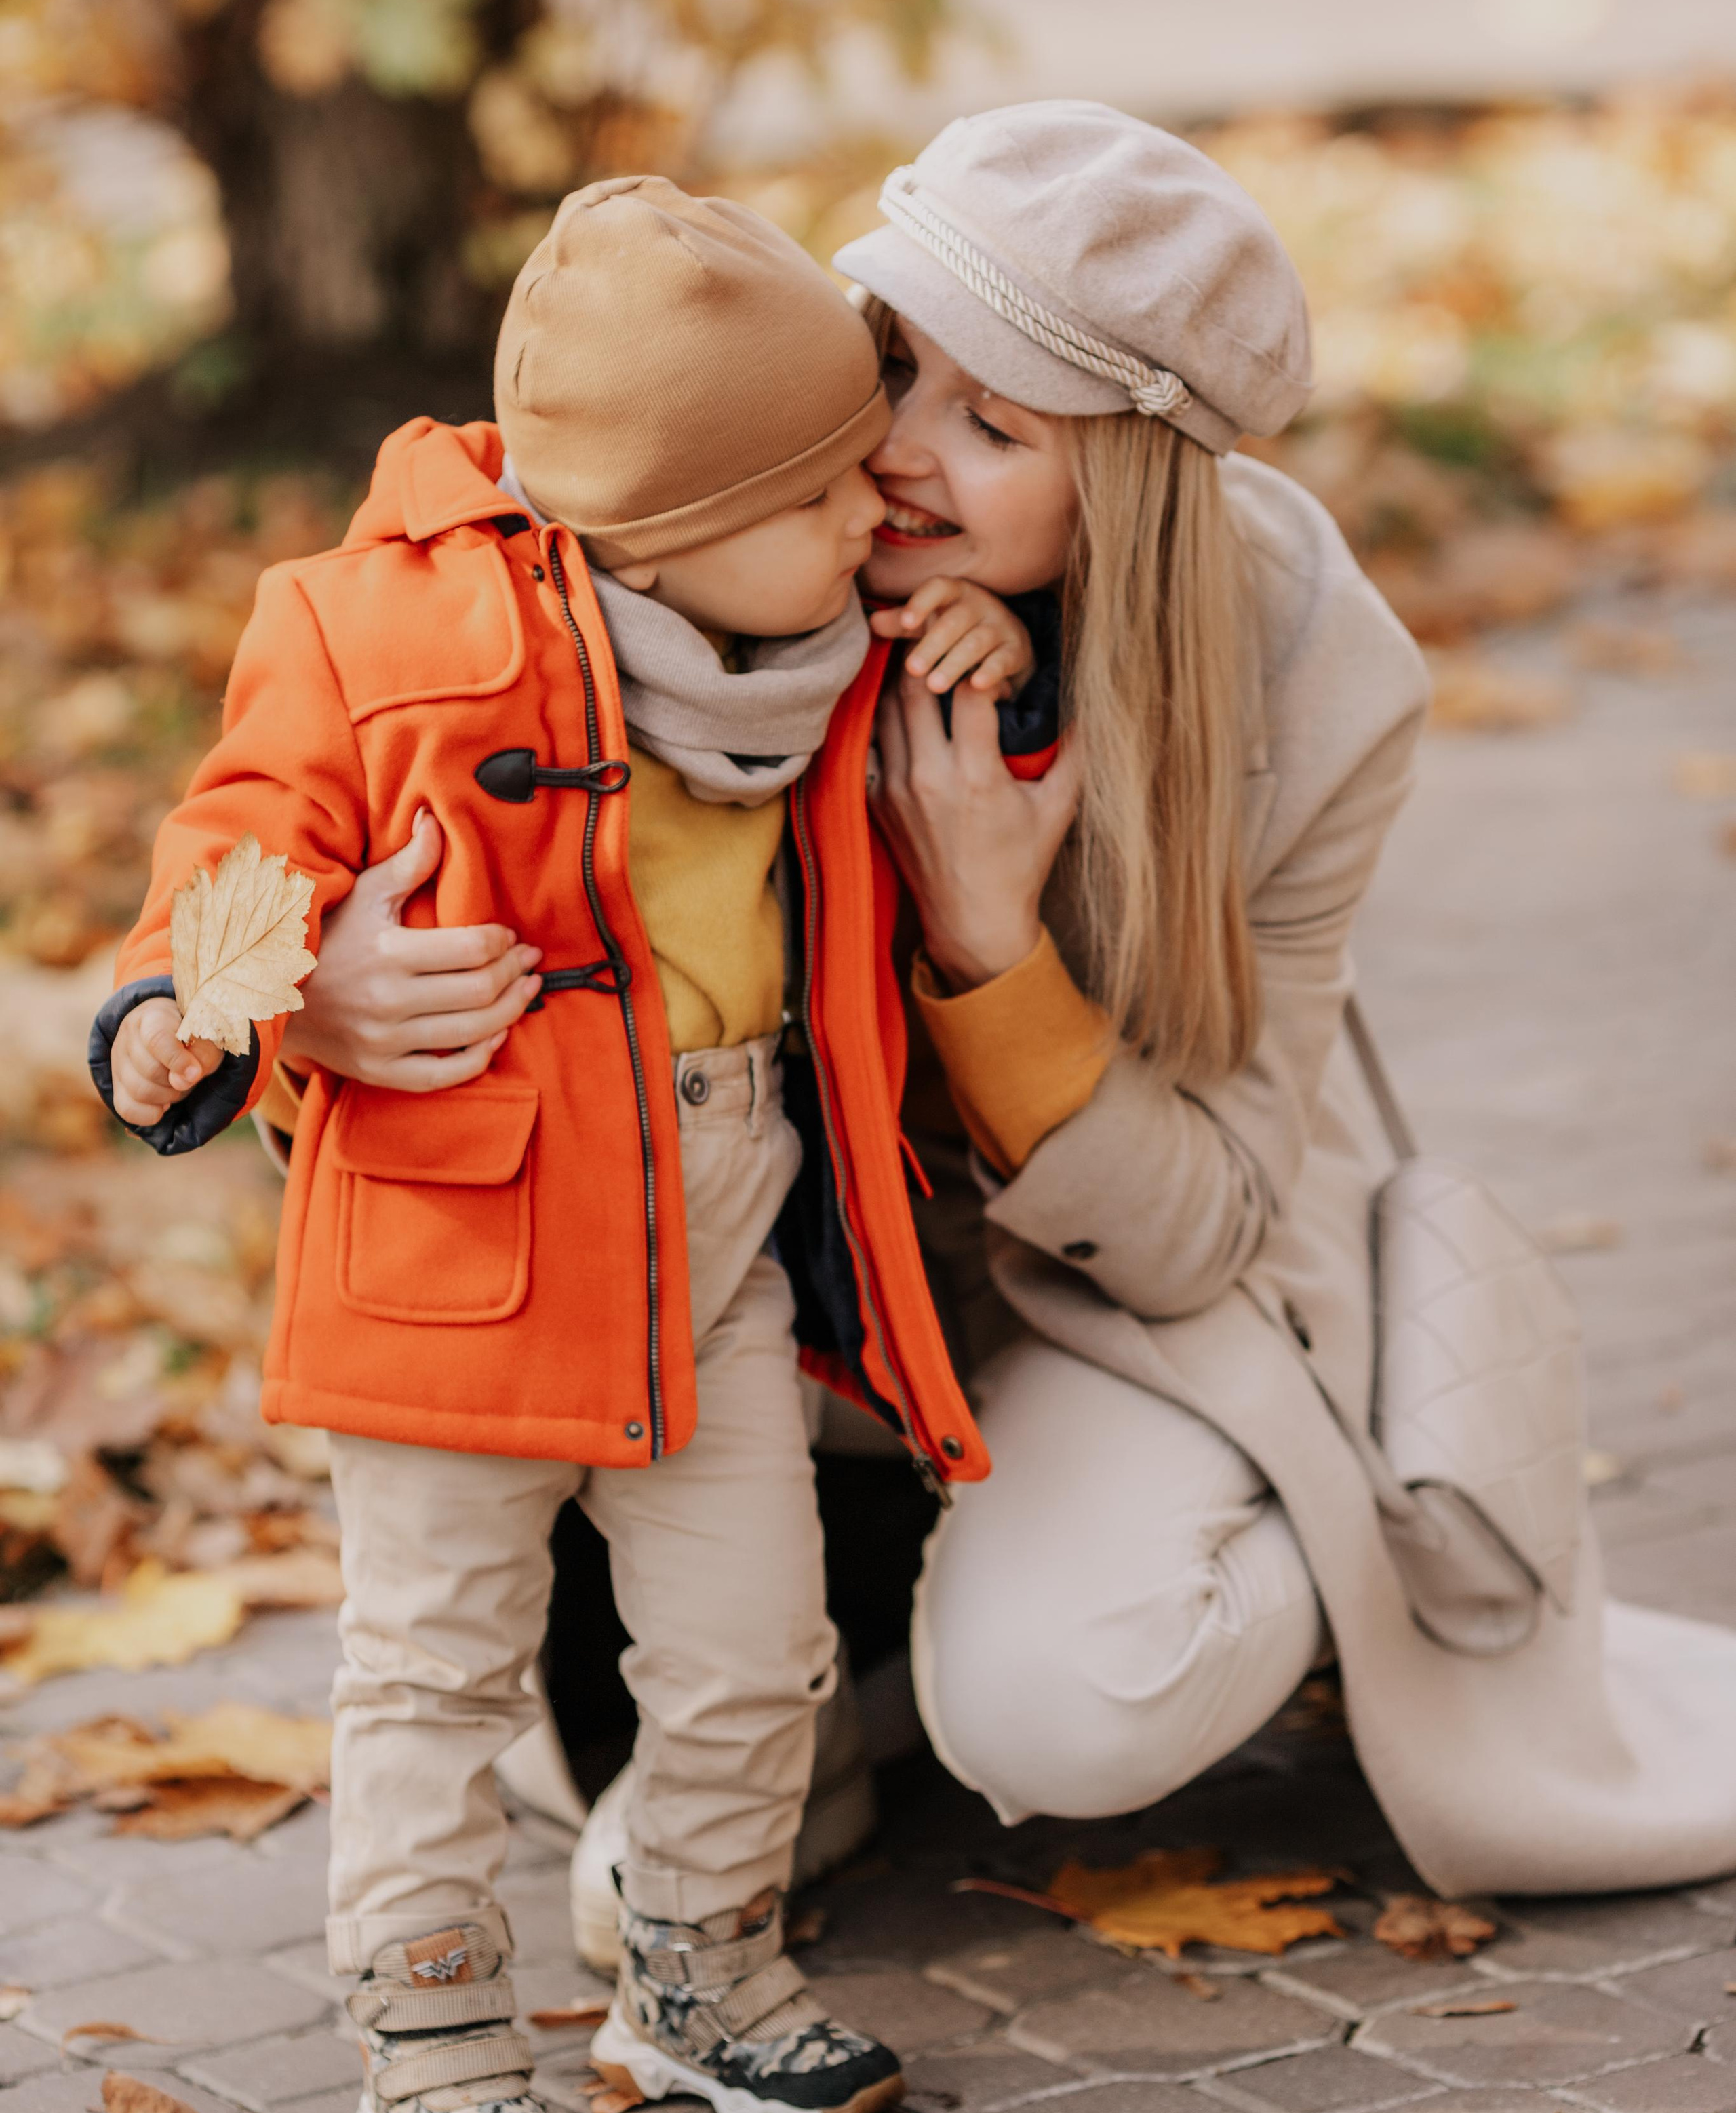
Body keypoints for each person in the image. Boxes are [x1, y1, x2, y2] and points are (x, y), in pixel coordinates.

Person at [265, 104, 1736, 1930]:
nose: (886, 454)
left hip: (1097, 1301)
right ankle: (831, 1670)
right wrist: (308, 998)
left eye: (994, 425)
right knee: (623, 1774)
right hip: (735, 1276)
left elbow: (1196, 1228)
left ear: (1122, 480)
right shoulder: (687, 502)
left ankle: (1297, 1544)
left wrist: (985, 939)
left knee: (1059, 1702)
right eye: (893, 365)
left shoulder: (1299, 667)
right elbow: (292, 833)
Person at [88, 176, 1039, 2113]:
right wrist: (255, 995)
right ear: (676, 526)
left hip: (719, 1244)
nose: (879, 519)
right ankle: (430, 2022)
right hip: (465, 1241)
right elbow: (220, 867)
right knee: (430, 1663)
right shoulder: (368, 635)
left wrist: (987, 653)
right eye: (833, 498)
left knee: (754, 1646)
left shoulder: (820, 636)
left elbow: (964, 786)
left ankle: (699, 1969)